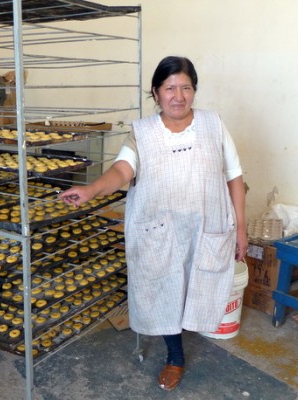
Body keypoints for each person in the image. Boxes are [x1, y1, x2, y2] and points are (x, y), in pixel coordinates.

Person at [59, 56, 248, 391]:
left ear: (194, 90)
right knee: (165, 293)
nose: (179, 96)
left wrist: (242, 229)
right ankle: (175, 356)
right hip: (162, 234)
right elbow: (121, 170)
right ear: (156, 93)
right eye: (170, 88)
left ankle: (194, 328)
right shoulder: (142, 133)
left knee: (200, 284)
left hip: (206, 230)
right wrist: (91, 190)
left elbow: (234, 175)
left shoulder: (213, 124)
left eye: (186, 87)